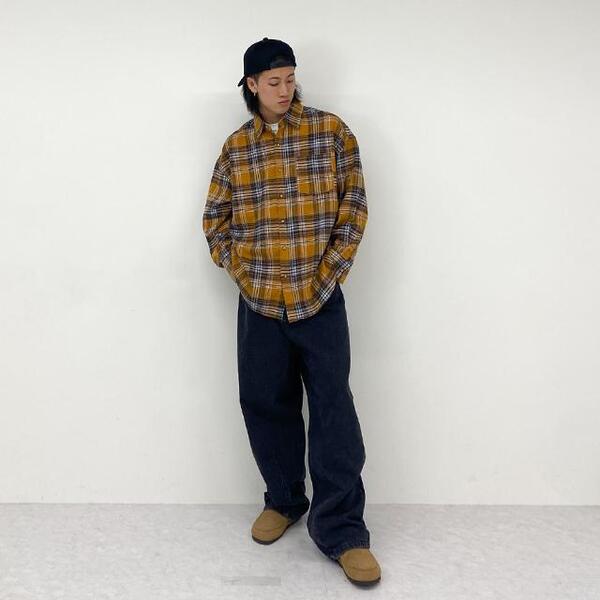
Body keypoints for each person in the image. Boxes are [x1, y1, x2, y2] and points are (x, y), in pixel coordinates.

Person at [202, 37, 381, 587]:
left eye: (291, 79)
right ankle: (283, 500)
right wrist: (245, 274)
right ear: (252, 85)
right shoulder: (236, 149)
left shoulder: (331, 132)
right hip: (260, 305)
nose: (285, 90)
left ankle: (343, 530)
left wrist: (329, 274)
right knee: (264, 403)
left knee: (333, 412)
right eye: (274, 81)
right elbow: (215, 220)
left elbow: (354, 206)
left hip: (319, 300)